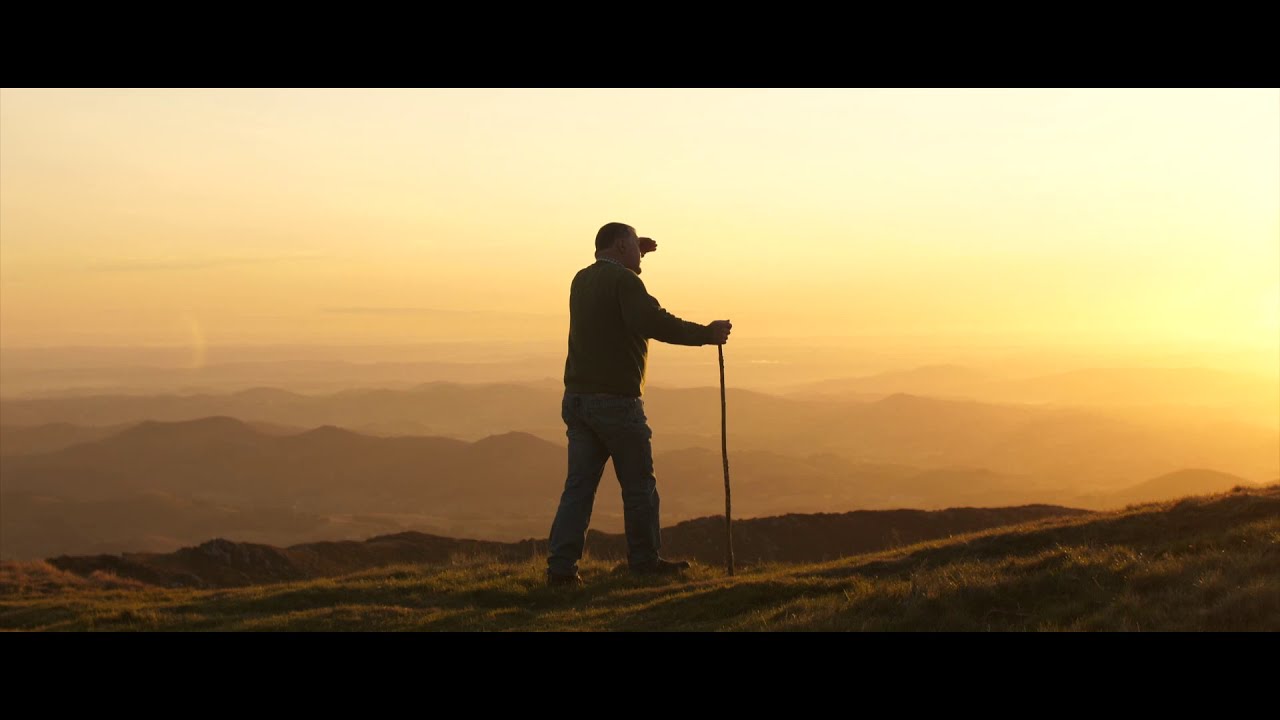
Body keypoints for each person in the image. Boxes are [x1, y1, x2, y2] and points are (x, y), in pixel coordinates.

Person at [546, 222, 732, 586]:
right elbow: (651, 321)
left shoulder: (581, 280)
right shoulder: (625, 282)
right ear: (620, 246)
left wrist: (635, 252)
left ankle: (561, 569)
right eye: (634, 246)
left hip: (578, 400)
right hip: (616, 403)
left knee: (578, 489)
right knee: (638, 486)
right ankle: (645, 562)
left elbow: (615, 292)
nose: (640, 254)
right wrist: (706, 334)